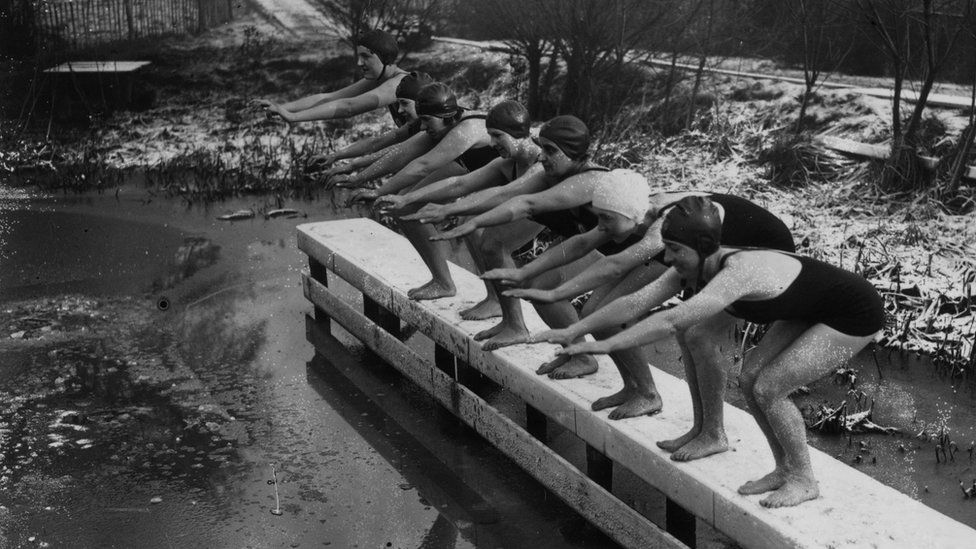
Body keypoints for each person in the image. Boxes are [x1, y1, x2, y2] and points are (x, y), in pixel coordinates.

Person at [531, 196, 884, 508]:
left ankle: (805, 481)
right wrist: (573, 330)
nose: (667, 257)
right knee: (749, 377)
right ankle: (784, 469)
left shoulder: (735, 274)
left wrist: (605, 344)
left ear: (702, 246)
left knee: (770, 387)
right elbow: (634, 302)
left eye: (674, 249)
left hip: (852, 312)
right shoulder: (697, 264)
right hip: (809, 304)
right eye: (666, 247)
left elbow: (671, 321)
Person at [485, 178, 795, 421]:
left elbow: (615, 265)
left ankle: (668, 406)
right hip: (712, 246)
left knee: (697, 335)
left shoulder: (661, 228)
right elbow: (584, 243)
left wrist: (554, 293)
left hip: (763, 256)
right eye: (599, 219)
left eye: (606, 220)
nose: (601, 228)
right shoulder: (636, 208)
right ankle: (635, 388)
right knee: (598, 310)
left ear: (631, 215)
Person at [406, 115, 611, 379]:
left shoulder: (583, 179)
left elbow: (525, 205)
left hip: (646, 255)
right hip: (601, 245)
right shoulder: (551, 172)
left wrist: (462, 217)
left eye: (550, 150)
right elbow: (504, 196)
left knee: (597, 313)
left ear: (573, 153)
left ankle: (640, 388)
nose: (542, 155)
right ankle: (578, 353)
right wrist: (441, 207)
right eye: (542, 147)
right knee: (537, 283)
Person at [374, 100, 546, 320]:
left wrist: (449, 209)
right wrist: (406, 198)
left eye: (497, 136)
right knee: (471, 225)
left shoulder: (539, 166)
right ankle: (495, 301)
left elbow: (503, 195)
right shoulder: (508, 162)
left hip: (584, 232)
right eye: (490, 136)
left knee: (492, 242)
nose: (492, 143)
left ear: (517, 133)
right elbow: (460, 183)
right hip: (548, 215)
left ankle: (514, 322)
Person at [346, 82, 500, 300]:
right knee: (405, 208)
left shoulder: (466, 129)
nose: (422, 127)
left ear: (446, 115)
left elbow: (423, 166)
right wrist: (357, 176)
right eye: (421, 120)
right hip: (481, 173)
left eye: (426, 120)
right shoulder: (441, 122)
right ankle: (443, 282)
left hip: (513, 176)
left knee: (470, 224)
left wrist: (378, 191)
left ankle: (495, 299)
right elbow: (401, 154)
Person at [255, 29, 408, 124]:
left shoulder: (399, 83)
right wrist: (280, 108)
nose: (359, 62)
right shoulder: (380, 79)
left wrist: (293, 117)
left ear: (385, 57)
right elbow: (329, 98)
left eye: (366, 56)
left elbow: (349, 108)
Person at [311, 71, 434, 182]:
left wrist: (353, 169)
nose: (400, 111)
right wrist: (336, 156)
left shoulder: (432, 127)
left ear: (421, 101)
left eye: (405, 104)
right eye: (399, 104)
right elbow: (379, 141)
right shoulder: (418, 123)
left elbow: (398, 152)